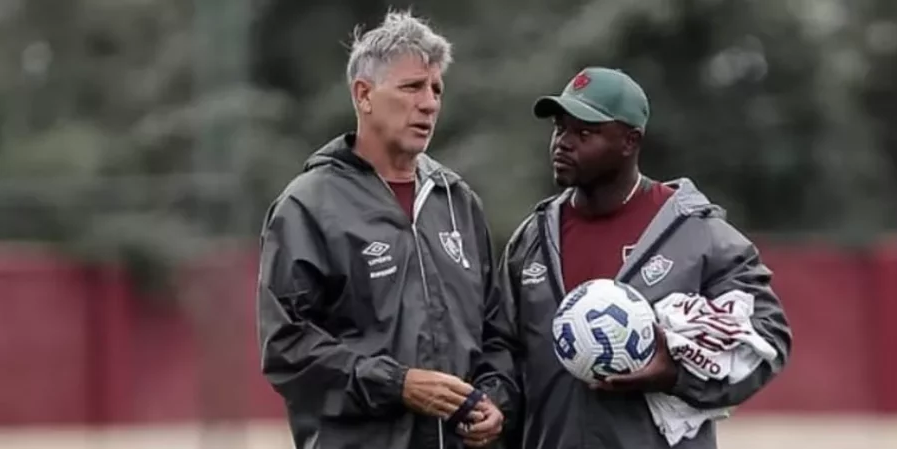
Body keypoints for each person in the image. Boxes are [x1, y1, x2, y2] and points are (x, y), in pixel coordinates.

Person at [256, 10, 517, 449]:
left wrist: (496, 398)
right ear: (364, 95)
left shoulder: (457, 202)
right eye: (412, 86)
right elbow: (287, 347)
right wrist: (398, 384)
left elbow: (496, 332)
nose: (429, 102)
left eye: (436, 89)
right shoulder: (309, 205)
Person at [498, 67, 793, 449]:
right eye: (559, 128)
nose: (562, 143)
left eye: (584, 132)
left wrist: (675, 375)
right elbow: (500, 348)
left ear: (629, 141)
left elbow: (768, 338)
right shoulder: (532, 239)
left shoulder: (696, 232)